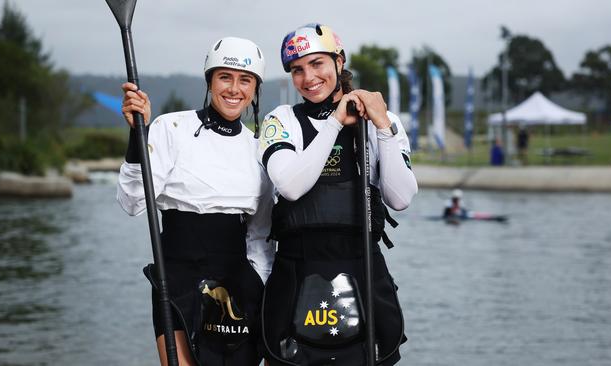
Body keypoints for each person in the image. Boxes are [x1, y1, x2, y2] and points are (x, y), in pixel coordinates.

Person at [257, 23, 418, 365]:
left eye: (318, 64)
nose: (308, 78)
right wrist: (334, 122)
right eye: (297, 70)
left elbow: (401, 198)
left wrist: (383, 128)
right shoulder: (281, 119)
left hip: (362, 267)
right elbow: (290, 186)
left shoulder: (381, 120)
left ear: (339, 62)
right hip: (297, 269)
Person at [117, 37, 274, 366]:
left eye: (245, 80)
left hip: (237, 281)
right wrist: (137, 136)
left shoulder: (259, 148)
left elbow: (260, 234)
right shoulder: (170, 128)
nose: (234, 89)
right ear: (210, 81)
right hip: (176, 277)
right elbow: (132, 202)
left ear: (255, 88)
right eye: (224, 77)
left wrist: (257, 283)